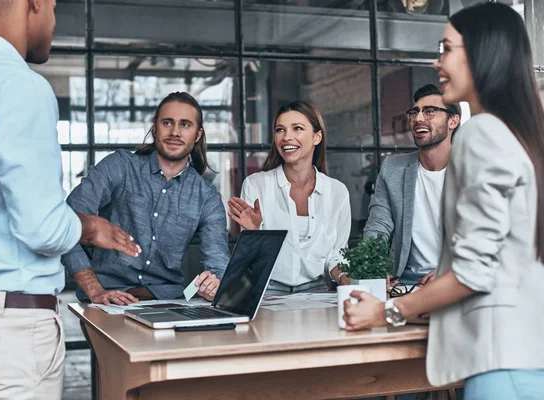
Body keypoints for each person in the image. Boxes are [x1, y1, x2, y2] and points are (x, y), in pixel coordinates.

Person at [343, 3, 544, 398]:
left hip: (498, 359)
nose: (437, 62)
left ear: (480, 54)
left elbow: (473, 271)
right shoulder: (522, 134)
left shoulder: (481, 133)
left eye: (446, 48)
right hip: (527, 350)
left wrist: (385, 310)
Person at [0, 0, 140, 398]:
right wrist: (90, 226)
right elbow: (42, 228)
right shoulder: (18, 84)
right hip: (9, 331)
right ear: (33, 2)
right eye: (52, 6)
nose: (53, 21)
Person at [62, 92, 230, 305]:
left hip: (166, 302)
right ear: (154, 128)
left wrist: (214, 284)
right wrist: (94, 289)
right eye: (167, 122)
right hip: (104, 300)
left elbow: (219, 266)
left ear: (197, 135)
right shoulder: (120, 166)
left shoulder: (206, 197)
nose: (175, 132)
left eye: (185, 124)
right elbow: (67, 220)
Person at [228, 101, 351, 293]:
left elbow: (337, 255)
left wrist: (346, 278)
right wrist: (253, 233)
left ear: (317, 137)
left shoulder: (337, 192)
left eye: (298, 129)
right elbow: (249, 263)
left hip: (318, 293)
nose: (287, 137)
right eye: (280, 130)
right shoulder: (256, 185)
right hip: (266, 292)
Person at [364, 84, 460, 288]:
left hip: (456, 280)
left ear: (453, 120)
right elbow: (378, 225)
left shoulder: (472, 169)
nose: (418, 118)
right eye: (414, 112)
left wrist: (451, 272)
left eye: (430, 111)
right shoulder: (393, 168)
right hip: (405, 283)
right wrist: (374, 268)